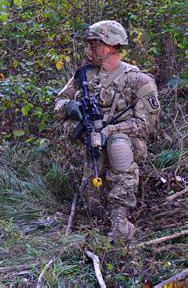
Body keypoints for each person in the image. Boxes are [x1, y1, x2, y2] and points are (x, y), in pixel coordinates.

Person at [54, 20, 160, 240]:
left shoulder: (138, 80)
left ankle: (121, 223)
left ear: (111, 46)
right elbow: (59, 103)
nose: (89, 50)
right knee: (92, 202)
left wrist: (110, 131)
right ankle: (108, 211)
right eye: (89, 45)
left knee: (119, 146)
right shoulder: (84, 75)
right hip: (93, 143)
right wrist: (69, 106)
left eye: (95, 44)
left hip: (125, 142)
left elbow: (146, 124)